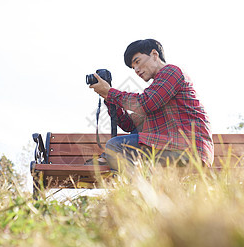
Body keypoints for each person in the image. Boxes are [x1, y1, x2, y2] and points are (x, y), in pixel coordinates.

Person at [89, 39, 213, 170]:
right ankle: (143, 187)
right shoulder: (157, 90)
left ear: (154, 55)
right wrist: (109, 99)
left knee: (115, 147)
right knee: (126, 140)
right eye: (133, 67)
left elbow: (146, 103)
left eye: (137, 61)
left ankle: (138, 189)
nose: (136, 69)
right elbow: (129, 124)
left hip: (187, 149)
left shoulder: (171, 72)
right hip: (172, 147)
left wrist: (110, 92)